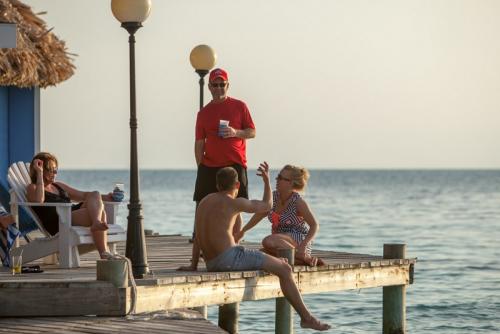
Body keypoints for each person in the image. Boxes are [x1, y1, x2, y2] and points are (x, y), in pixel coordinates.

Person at [179, 163, 330, 331]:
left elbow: (198, 236)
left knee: (272, 258)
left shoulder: (203, 202)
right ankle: (306, 318)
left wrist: (193, 265)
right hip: (231, 258)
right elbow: (266, 206)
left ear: (217, 185)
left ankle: (292, 260)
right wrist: (266, 181)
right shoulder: (234, 202)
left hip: (211, 263)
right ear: (237, 185)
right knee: (285, 270)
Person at [192, 67, 256, 241]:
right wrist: (201, 167)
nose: (219, 88)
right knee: (204, 206)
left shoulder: (239, 106)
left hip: (235, 164)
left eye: (223, 84)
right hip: (210, 166)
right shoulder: (203, 113)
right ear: (210, 87)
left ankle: (233, 245)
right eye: (216, 84)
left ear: (228, 85)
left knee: (236, 206)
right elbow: (199, 143)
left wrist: (235, 132)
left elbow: (252, 132)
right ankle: (207, 244)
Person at [26, 152, 114, 259]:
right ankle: (104, 252)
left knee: (95, 194)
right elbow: (39, 200)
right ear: (41, 169)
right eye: (50, 169)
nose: (54, 172)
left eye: (56, 169)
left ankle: (97, 225)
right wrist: (39, 174)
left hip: (70, 214)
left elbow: (84, 195)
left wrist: (107, 197)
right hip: (59, 221)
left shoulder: (58, 185)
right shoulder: (32, 188)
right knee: (100, 213)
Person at [236, 165, 325, 267]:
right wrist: (243, 231)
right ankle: (301, 261)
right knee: (259, 255)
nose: (277, 179)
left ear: (291, 183)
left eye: (281, 178)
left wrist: (303, 245)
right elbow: (259, 215)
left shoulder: (298, 202)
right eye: (278, 176)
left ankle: (305, 257)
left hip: (298, 242)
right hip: (278, 243)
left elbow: (314, 225)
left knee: (268, 241)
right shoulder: (274, 197)